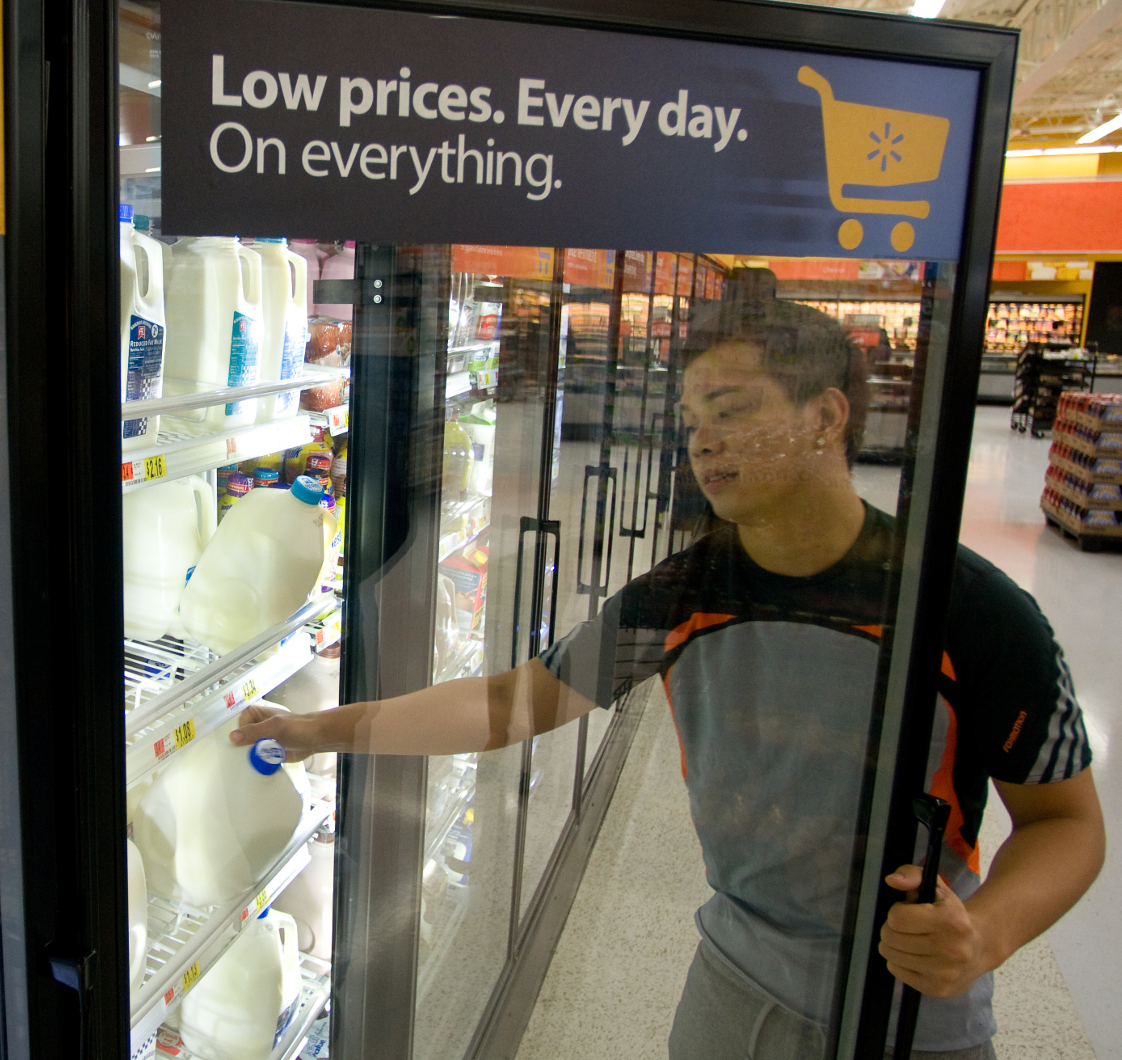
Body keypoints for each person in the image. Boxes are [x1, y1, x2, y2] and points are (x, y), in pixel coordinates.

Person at [231, 298, 1105, 1059]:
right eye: (691, 419)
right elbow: (513, 704)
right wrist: (322, 728)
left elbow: (1068, 823)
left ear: (826, 415)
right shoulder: (687, 594)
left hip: (911, 1014)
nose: (704, 443)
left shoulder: (965, 611)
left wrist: (983, 933)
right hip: (730, 989)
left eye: (729, 409)